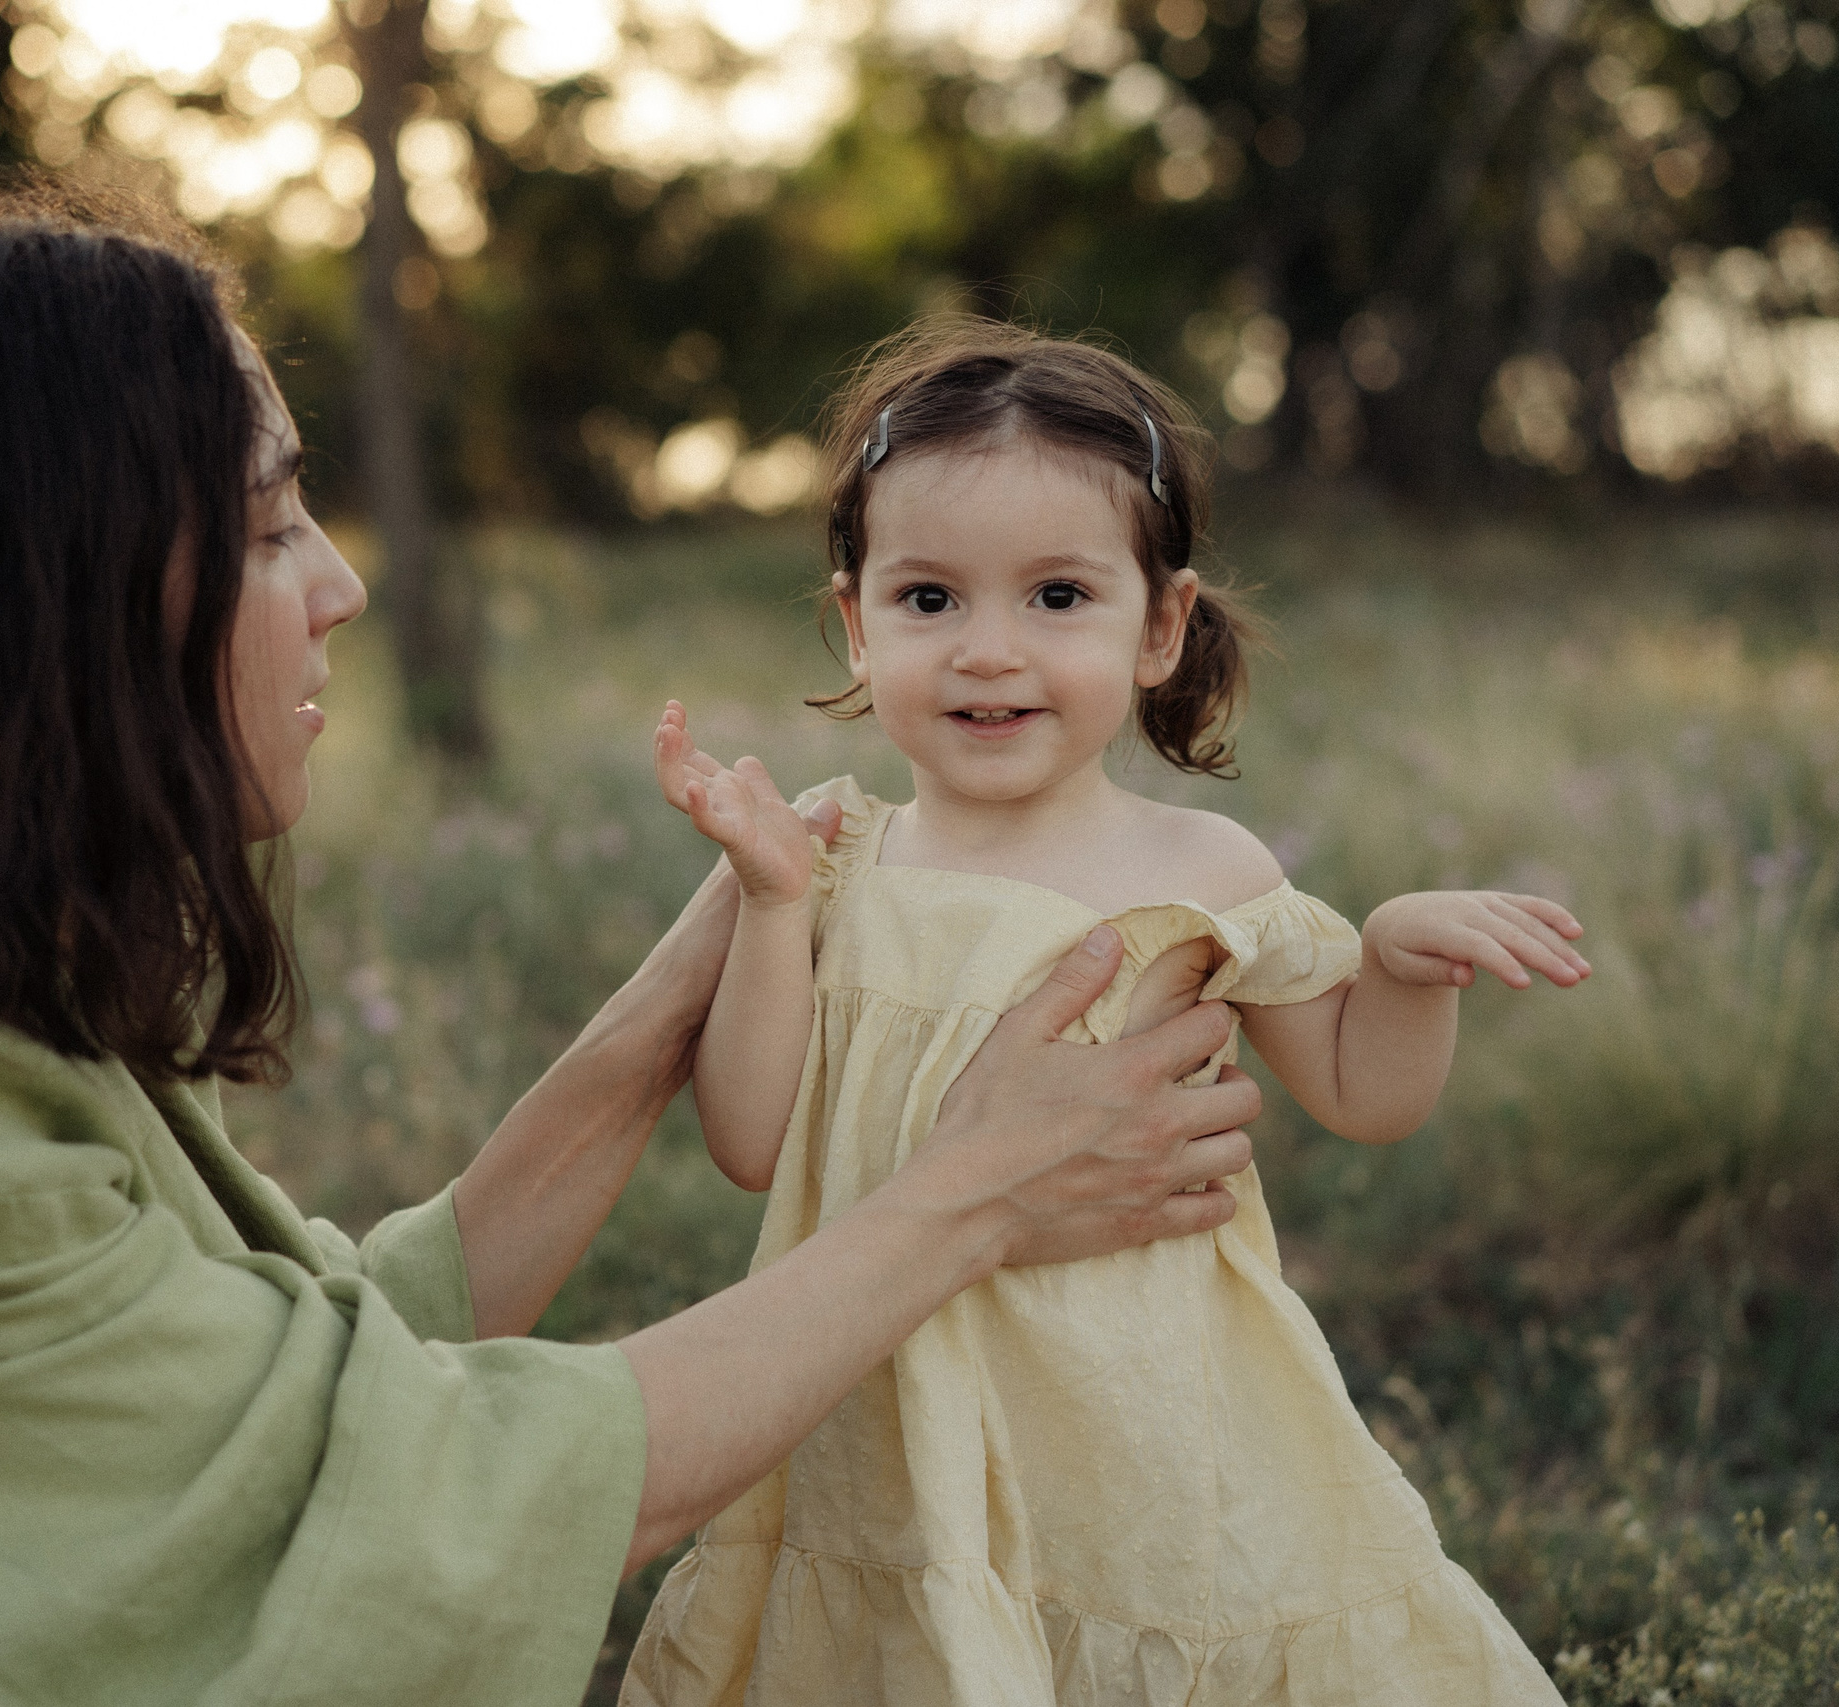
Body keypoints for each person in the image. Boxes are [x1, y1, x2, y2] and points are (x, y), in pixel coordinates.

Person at [0, 184, 1272, 1707]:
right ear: (49, 597)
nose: (340, 588)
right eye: (268, 531)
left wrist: (685, 985)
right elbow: (411, 1508)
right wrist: (984, 1186)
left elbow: (314, 1372)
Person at [626, 323, 1592, 1706]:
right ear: (856, 621)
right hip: (880, 1412)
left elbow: (1367, 1098)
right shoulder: (834, 865)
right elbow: (748, 1139)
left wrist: (1395, 969)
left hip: (1132, 1423)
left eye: (1058, 596)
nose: (988, 651)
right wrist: (772, 907)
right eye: (928, 601)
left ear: (1160, 625)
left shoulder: (1200, 875)